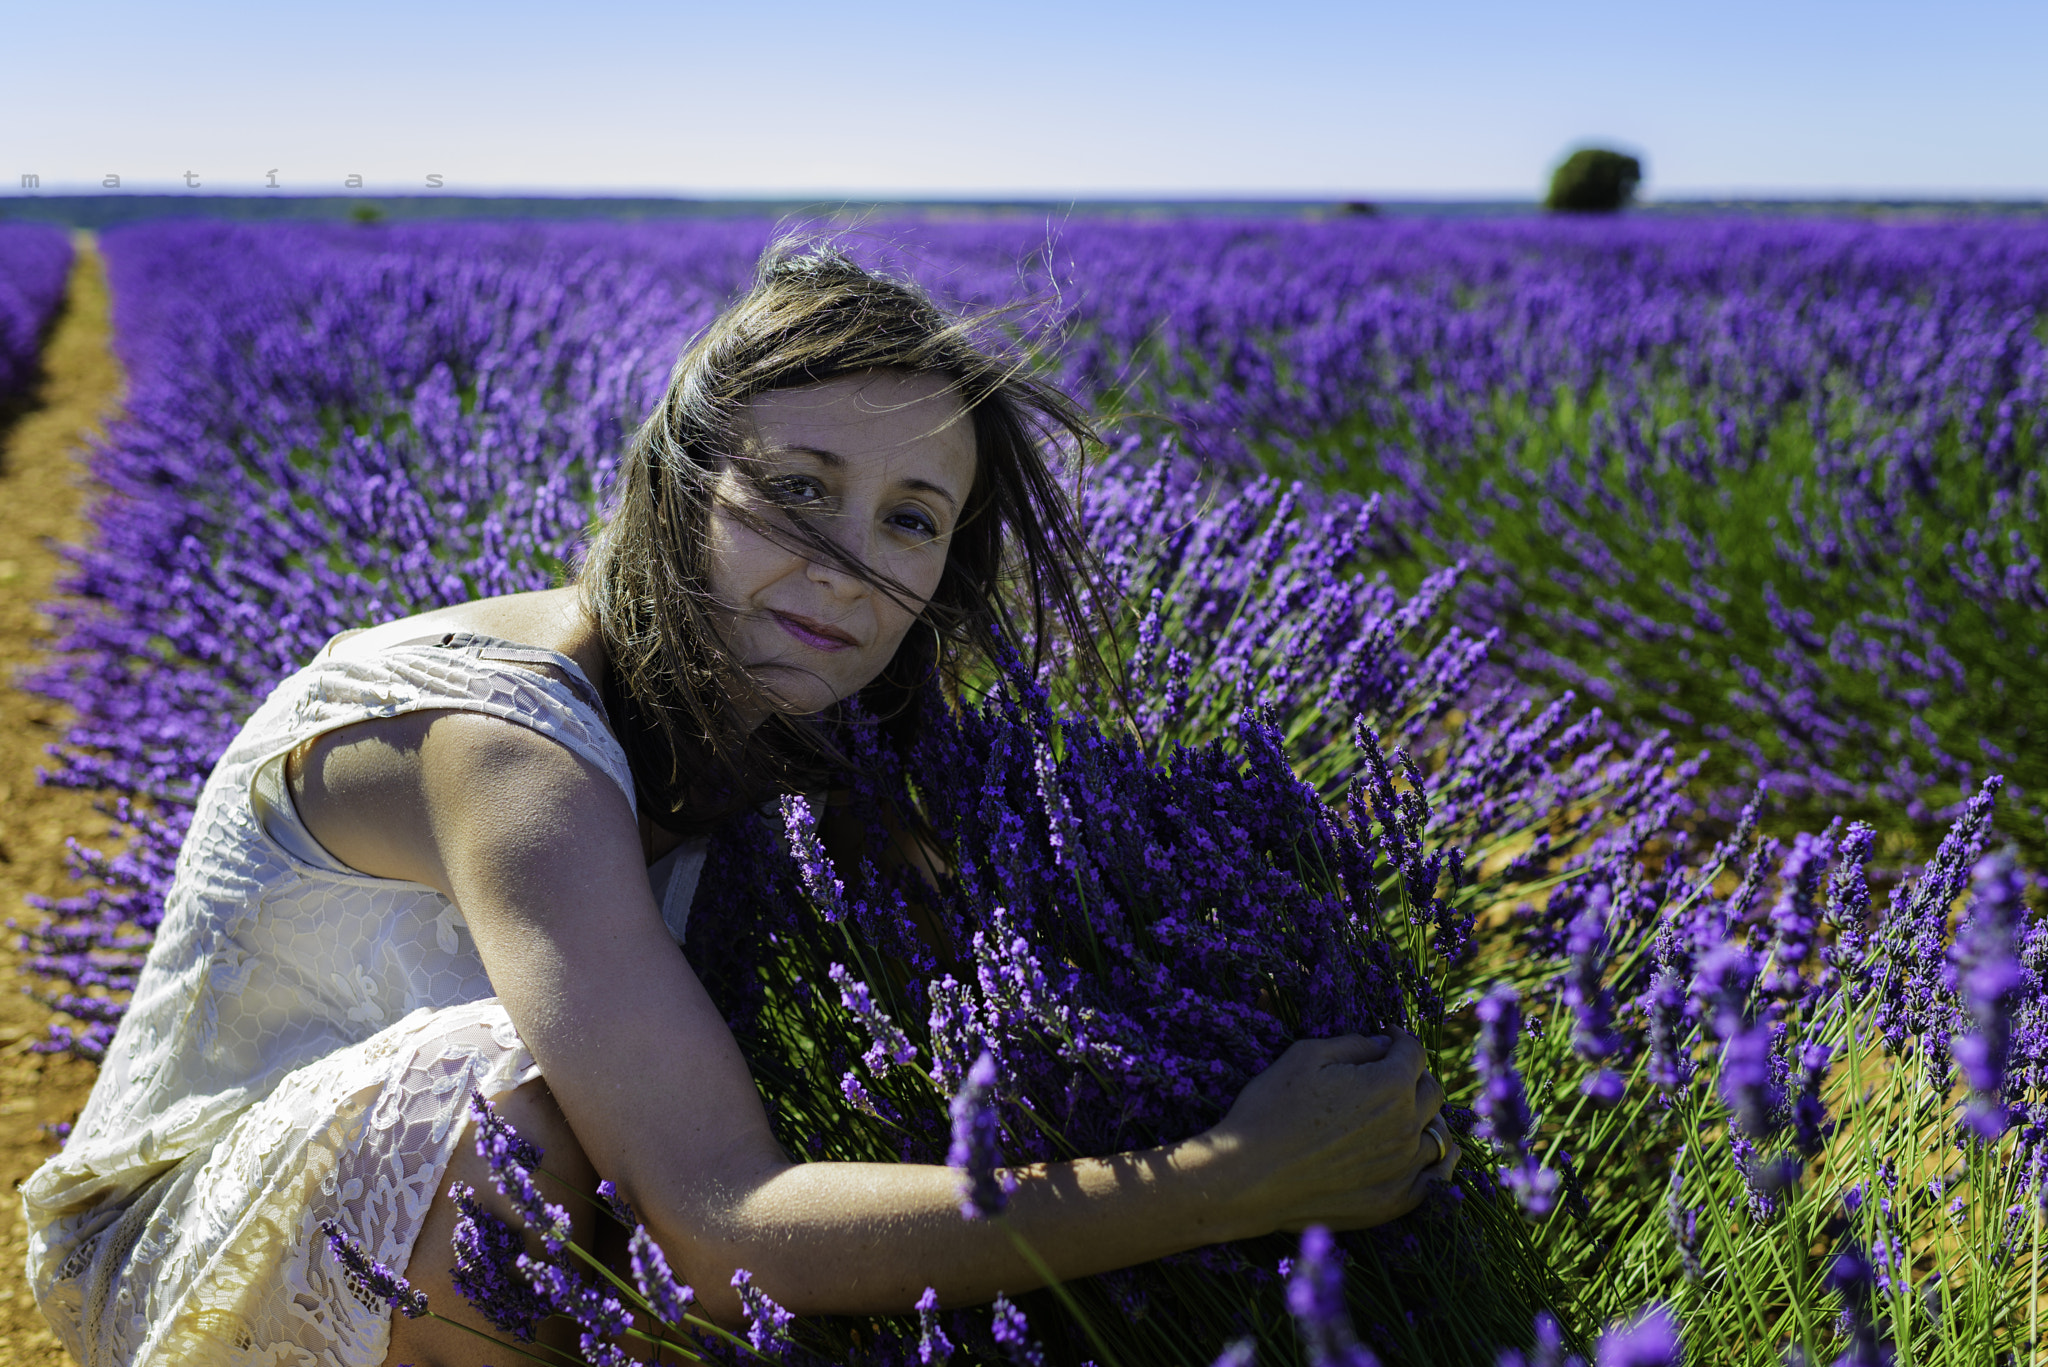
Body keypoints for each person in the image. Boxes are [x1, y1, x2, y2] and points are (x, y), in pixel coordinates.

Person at [23, 244, 1456, 1367]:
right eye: (796, 491)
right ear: (678, 488)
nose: (847, 568)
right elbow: (717, 1230)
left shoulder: (797, 717)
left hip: (463, 1240)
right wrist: (1232, 1178)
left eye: (909, 517)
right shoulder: (501, 747)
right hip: (199, 1262)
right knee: (500, 1122)